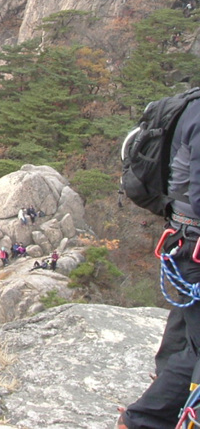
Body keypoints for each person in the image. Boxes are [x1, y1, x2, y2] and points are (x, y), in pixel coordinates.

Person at [119, 97, 200, 428]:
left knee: (185, 339)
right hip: (192, 246)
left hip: (184, 240)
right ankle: (145, 420)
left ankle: (146, 414)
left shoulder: (193, 105)